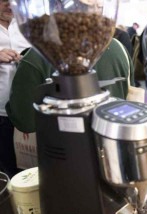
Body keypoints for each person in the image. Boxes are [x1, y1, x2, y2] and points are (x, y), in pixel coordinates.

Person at [6, 38, 135, 133]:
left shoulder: (36, 56)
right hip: (115, 147)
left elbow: (26, 123)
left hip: (63, 157)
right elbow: (129, 96)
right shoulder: (119, 48)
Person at [0, 0, 31, 178]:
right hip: (1, 114)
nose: (9, 4)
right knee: (6, 169)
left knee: (27, 170)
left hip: (25, 113)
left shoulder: (24, 28)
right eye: (4, 0)